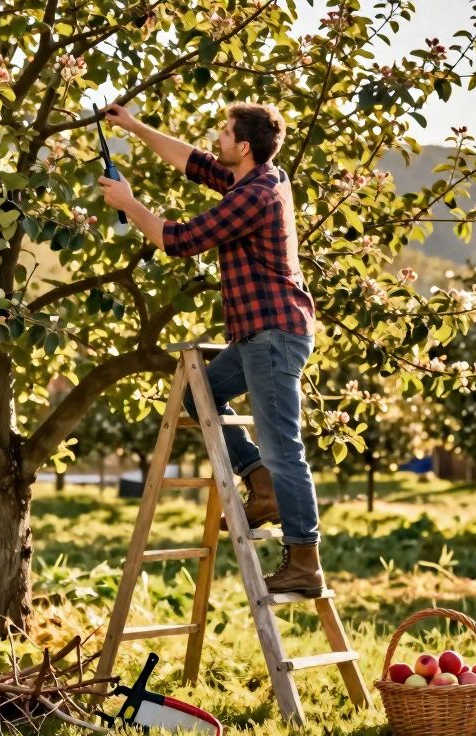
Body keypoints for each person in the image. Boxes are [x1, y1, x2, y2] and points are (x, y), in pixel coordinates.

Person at [97, 101, 324, 597]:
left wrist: (128, 204)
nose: (216, 137)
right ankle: (260, 483)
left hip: (273, 335)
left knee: (284, 448)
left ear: (243, 146)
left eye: (224, 132)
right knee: (199, 395)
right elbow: (194, 162)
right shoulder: (257, 177)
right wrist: (133, 126)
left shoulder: (256, 196)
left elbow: (179, 240)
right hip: (256, 335)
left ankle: (304, 559)